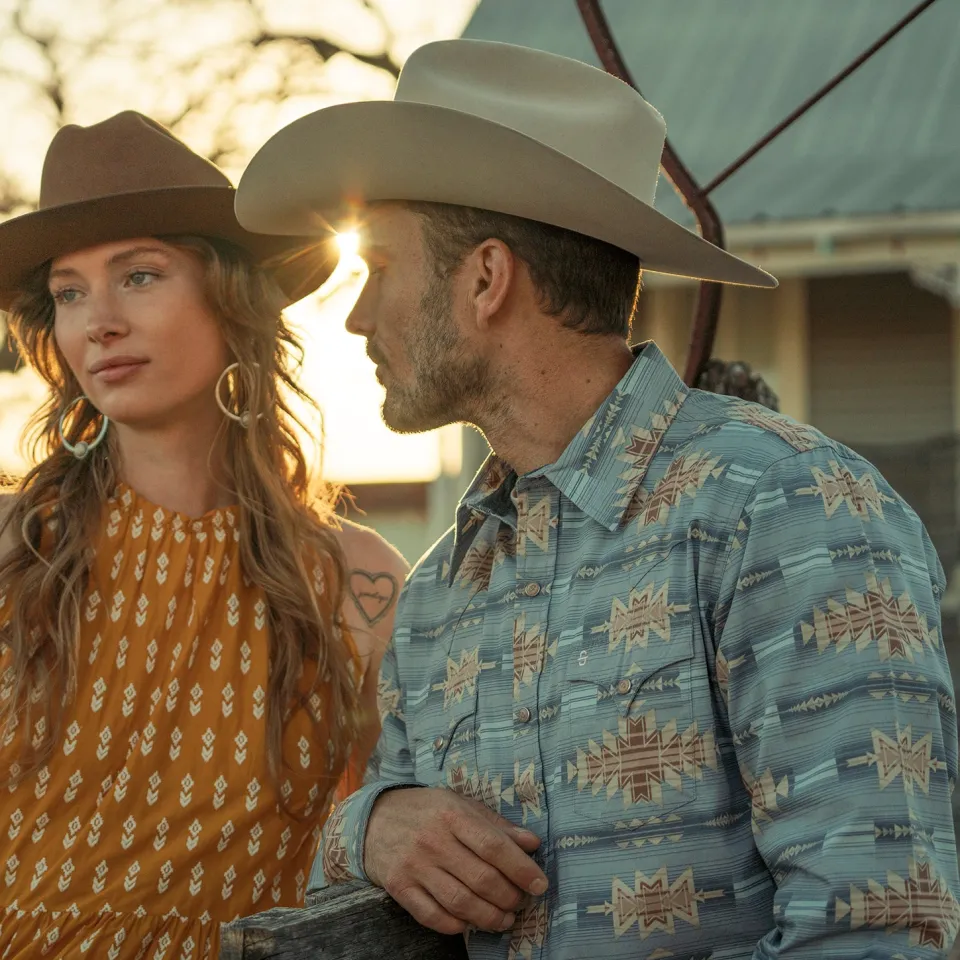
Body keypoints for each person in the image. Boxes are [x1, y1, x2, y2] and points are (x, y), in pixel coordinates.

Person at [235, 39, 960, 959]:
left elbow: (879, 935)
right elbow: (357, 897)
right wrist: (374, 826)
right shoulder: (438, 595)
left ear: (486, 279)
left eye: (379, 266)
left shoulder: (792, 514)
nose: (356, 315)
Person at [0, 111, 408, 958]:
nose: (97, 321)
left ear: (233, 297)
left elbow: (379, 850)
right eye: (69, 292)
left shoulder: (358, 586)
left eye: (139, 276)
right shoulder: (14, 550)